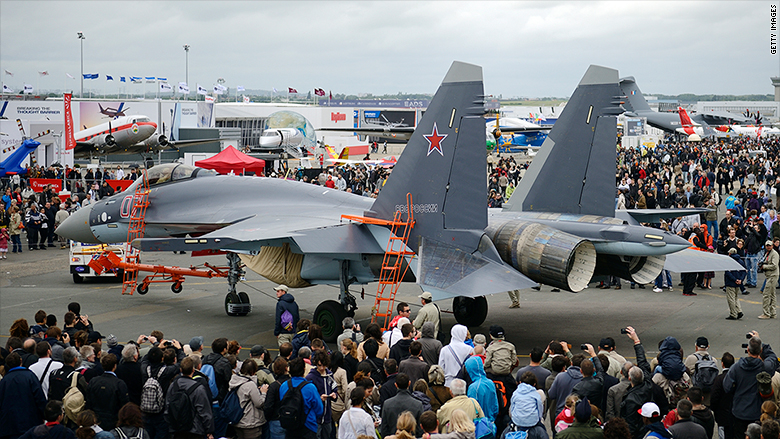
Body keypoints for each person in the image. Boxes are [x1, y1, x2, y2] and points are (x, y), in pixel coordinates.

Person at [722, 331, 778, 439]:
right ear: (761, 350)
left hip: (739, 412)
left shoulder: (736, 368)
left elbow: (727, 387)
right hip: (756, 413)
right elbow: (772, 357)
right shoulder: (764, 368)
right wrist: (761, 342)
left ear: (748, 349)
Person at [0, 352, 47, 439]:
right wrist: (44, 415)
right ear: (21, 361)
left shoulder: (5, 381)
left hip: (9, 425)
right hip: (30, 422)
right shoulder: (30, 376)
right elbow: (39, 398)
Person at [164, 356, 214, 439]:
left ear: (180, 370)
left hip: (177, 429)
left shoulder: (174, 385)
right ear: (193, 370)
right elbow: (204, 411)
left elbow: (167, 406)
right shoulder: (198, 388)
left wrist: (171, 424)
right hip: (195, 430)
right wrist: (209, 431)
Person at [278, 358, 323, 439]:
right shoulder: (310, 387)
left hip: (290, 424)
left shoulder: (284, 385)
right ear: (303, 369)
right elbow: (319, 409)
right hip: (308, 426)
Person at [85, 354, 130, 430]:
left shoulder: (93, 381)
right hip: (113, 421)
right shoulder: (119, 384)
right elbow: (124, 405)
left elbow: (88, 402)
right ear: (115, 366)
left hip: (96, 420)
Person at [229, 360, 268, 439]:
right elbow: (259, 403)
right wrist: (263, 393)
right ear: (253, 371)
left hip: (237, 419)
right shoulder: (250, 384)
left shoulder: (234, 380)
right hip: (250, 422)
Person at [380, 374, 423, 438]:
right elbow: (420, 430)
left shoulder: (387, 404)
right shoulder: (418, 404)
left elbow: (384, 429)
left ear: (396, 385)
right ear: (409, 383)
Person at [724, 248, 746, 319]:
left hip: (730, 282)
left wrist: (734, 279)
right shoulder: (741, 261)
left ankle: (733, 313)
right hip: (738, 282)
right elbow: (744, 271)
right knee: (736, 297)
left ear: (730, 253)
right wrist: (740, 280)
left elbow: (728, 273)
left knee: (731, 299)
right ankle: (739, 311)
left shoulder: (728, 261)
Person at [759, 240, 778, 319]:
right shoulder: (767, 253)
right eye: (767, 245)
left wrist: (764, 267)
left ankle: (766, 313)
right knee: (772, 294)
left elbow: (774, 265)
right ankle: (773, 313)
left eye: (769, 245)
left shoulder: (774, 254)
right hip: (769, 275)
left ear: (772, 246)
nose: (768, 247)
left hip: (772, 275)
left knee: (766, 294)